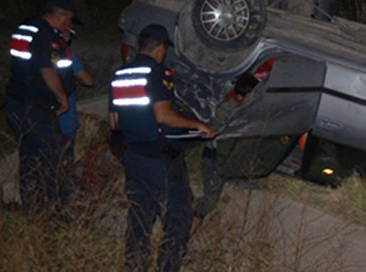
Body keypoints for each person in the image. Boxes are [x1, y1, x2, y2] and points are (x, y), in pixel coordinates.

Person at [108, 24, 214, 272]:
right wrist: (199, 125)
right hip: (161, 159)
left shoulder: (120, 75)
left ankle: (134, 266)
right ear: (159, 48)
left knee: (140, 215)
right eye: (165, 48)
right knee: (177, 215)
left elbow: (114, 121)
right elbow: (164, 116)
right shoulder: (158, 74)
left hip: (133, 155)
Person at [5, 0, 80, 213]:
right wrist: (61, 96)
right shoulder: (45, 35)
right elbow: (47, 68)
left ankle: (31, 206)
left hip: (17, 101)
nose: (70, 25)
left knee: (29, 156)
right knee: (50, 156)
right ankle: (50, 209)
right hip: (36, 106)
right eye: (69, 20)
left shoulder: (25, 26)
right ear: (60, 15)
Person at [190, 73, 259, 236]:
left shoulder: (243, 108)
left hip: (225, 157)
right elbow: (224, 138)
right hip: (214, 158)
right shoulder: (227, 110)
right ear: (243, 96)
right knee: (209, 202)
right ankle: (183, 236)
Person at [57, 30, 93, 189]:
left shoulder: (37, 51)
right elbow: (88, 80)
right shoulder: (66, 53)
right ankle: (67, 195)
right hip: (65, 118)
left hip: (40, 116)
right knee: (65, 160)